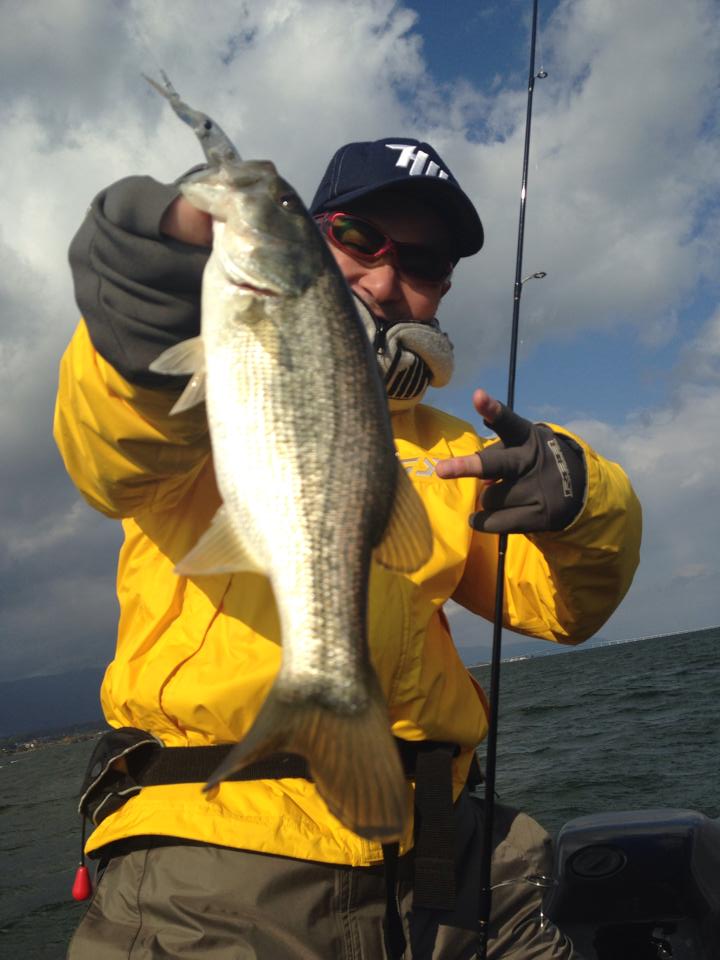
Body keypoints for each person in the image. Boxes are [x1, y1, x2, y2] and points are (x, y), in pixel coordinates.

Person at [54, 136, 641, 959]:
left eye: (424, 263)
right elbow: (112, 448)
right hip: (218, 853)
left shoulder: (454, 452)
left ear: (442, 290)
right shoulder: (199, 374)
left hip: (453, 855)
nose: (387, 279)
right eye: (360, 238)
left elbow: (562, 611)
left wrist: (588, 501)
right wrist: (139, 301)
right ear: (315, 239)